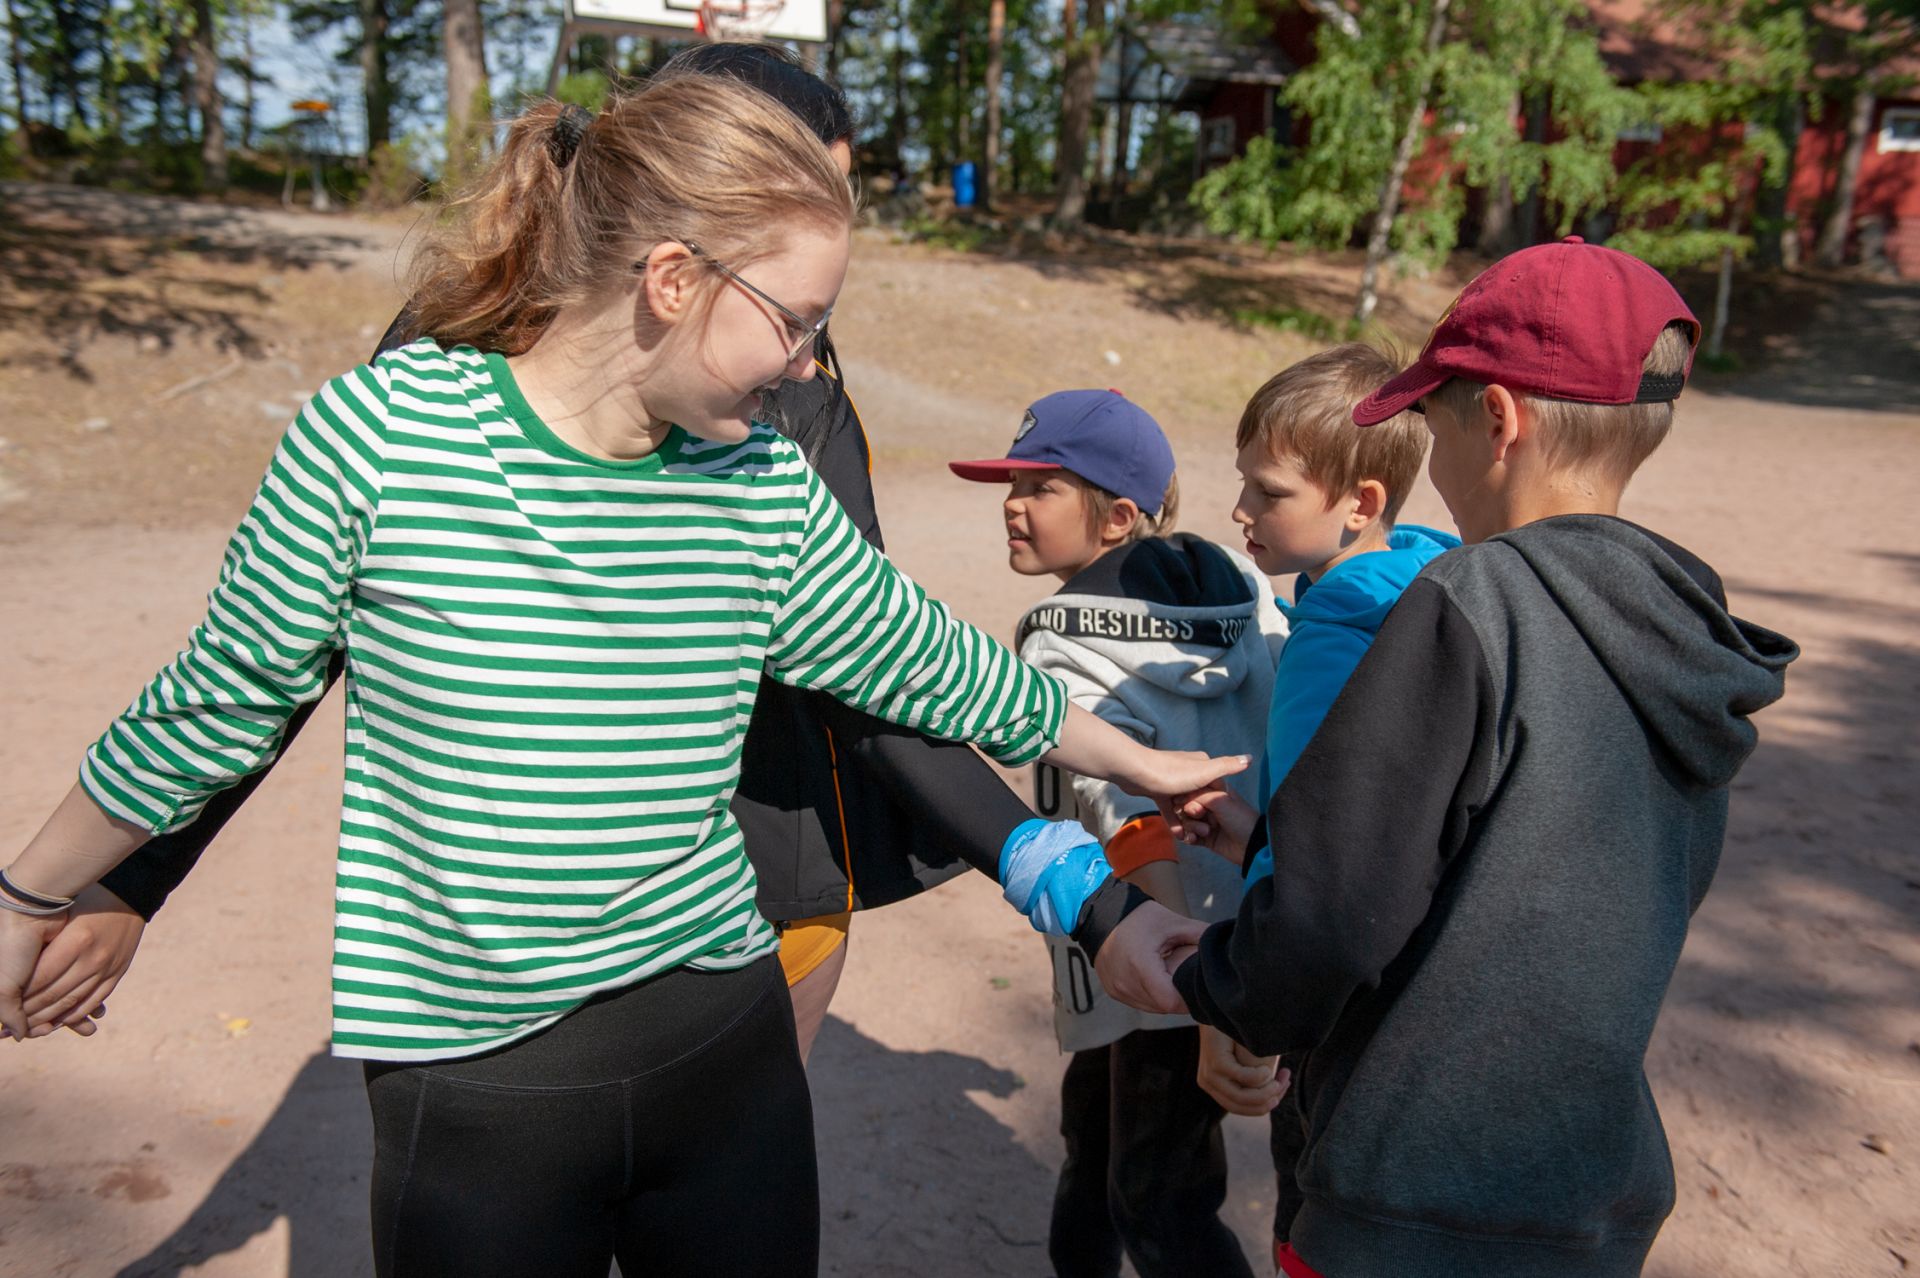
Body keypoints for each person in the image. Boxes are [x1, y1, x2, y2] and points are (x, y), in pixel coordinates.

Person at [0, 77, 1242, 1278]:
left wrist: (1138, 759)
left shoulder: (755, 481)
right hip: (478, 1081)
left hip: (720, 1036)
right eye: (798, 320)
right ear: (670, 279)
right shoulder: (381, 438)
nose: (813, 365)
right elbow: (215, 703)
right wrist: (27, 897)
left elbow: (920, 662)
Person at [19, 42, 1041, 1066]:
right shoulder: (446, 356)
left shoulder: (794, 378)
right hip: (509, 961)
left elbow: (885, 658)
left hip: (761, 889)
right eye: (816, 184)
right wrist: (134, 877)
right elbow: (277, 652)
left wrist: (1055, 872)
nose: (831, 234)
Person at [1082, 237, 1799, 1278]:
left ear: (1499, 419)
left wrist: (1222, 988)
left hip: (1405, 1193)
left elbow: (1330, 924)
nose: (1423, 446)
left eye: (1433, 415)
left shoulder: (1463, 607)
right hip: (1587, 1187)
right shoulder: (1684, 633)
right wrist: (1276, 836)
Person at [951, 389, 1286, 1278]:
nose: (1013, 504)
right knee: (1095, 1151)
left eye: (1043, 487)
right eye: (1011, 481)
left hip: (1160, 952)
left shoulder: (1062, 646)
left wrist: (1195, 989)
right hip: (1217, 927)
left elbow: (1133, 819)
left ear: (1119, 516)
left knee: (1159, 1206)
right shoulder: (1240, 588)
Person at [1224, 342, 1456, 1259]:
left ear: (1361, 502)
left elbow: (1314, 854)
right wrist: (1256, 834)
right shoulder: (1438, 578)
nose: (1240, 511)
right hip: (1426, 979)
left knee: (1311, 1219)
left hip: (1339, 1007)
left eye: (1269, 492)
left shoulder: (1335, 626)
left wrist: (1256, 1005)